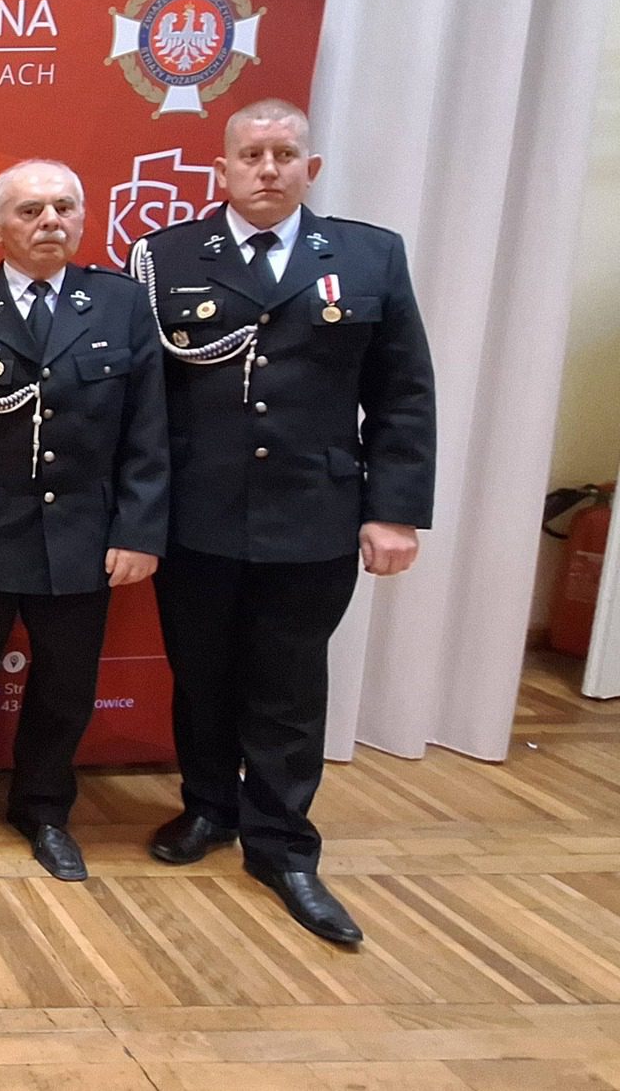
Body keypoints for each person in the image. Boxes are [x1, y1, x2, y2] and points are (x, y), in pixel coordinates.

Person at [131, 98, 435, 946]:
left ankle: (283, 845)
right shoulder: (166, 258)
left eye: (284, 155)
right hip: (198, 513)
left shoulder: (369, 256)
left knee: (290, 686)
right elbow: (143, 403)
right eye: (252, 155)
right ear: (222, 168)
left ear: (312, 168)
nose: (268, 169)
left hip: (314, 514)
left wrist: (395, 512)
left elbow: (404, 393)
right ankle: (208, 808)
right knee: (201, 674)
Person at [0, 159, 168, 881]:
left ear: (82, 218)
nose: (50, 221)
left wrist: (138, 530)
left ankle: (45, 808)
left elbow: (148, 429)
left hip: (83, 533)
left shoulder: (121, 304)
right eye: (30, 211)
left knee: (65, 685)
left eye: (63, 207)